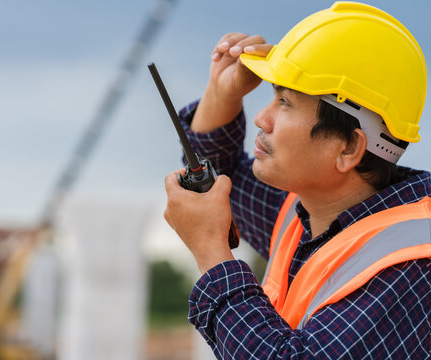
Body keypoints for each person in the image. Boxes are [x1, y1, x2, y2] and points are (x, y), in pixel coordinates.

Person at [163, 2, 430, 359]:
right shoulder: (306, 214)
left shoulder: (412, 266)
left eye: (285, 102)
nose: (261, 117)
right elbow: (218, 173)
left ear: (348, 147)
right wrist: (222, 93)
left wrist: (213, 253)